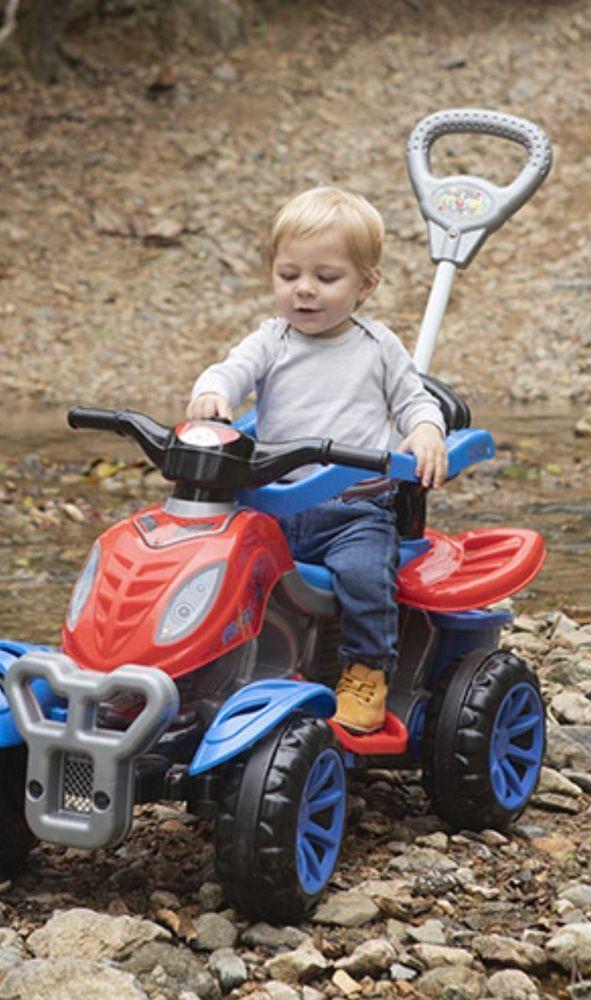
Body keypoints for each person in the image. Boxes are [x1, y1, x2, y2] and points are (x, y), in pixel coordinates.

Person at [188, 186, 447, 733]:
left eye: (326, 279)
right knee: (209, 564)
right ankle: (208, 661)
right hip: (273, 509)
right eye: (289, 276)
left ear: (365, 285)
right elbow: (229, 370)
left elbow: (415, 401)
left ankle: (366, 669)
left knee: (363, 576)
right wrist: (214, 394)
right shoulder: (271, 339)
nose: (304, 291)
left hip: (352, 513)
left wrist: (425, 431)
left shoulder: (377, 347)